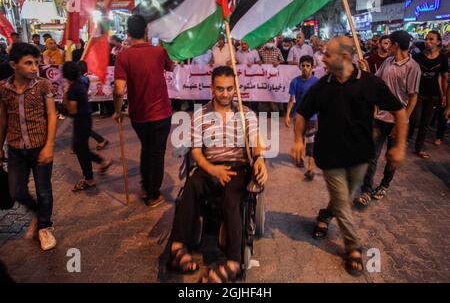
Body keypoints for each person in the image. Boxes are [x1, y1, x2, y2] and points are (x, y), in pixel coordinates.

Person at [291, 36, 407, 276]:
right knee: (343, 200)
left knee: (341, 198)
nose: (322, 58)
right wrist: (297, 141)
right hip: (330, 155)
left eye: (327, 55)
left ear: (344, 57)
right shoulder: (323, 85)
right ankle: (352, 247)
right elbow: (302, 112)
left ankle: (324, 216)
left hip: (360, 155)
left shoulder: (370, 83)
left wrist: (399, 146)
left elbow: (399, 111)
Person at [168, 66, 268, 283]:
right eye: (220, 89)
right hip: (209, 166)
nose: (225, 93)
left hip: (237, 168)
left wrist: (259, 158)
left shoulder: (245, 114)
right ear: (212, 88)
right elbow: (195, 150)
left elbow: (256, 140)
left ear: (235, 88)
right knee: (192, 185)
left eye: (229, 89)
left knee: (232, 199)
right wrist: (211, 169)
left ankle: (233, 262)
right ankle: (177, 248)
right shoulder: (200, 115)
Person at [0, 43, 57, 250]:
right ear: (14, 65)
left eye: (36, 63)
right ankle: (40, 213)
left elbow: (52, 115)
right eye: (28, 63)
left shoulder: (43, 85)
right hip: (15, 149)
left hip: (40, 145)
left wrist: (49, 146)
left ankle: (45, 227)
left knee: (43, 190)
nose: (34, 67)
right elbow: (3, 119)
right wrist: (0, 146)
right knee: (16, 191)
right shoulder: (3, 89)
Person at [113, 14, 174, 207]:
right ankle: (153, 194)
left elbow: (118, 90)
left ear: (129, 33)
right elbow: (171, 67)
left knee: (147, 149)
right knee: (156, 153)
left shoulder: (123, 56)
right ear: (146, 30)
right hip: (161, 113)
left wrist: (117, 110)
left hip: (138, 116)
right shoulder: (158, 52)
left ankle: (146, 186)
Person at [355, 31, 420, 207]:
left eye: (389, 43)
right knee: (372, 155)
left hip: (398, 121)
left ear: (396, 45)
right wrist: (365, 70)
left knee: (392, 157)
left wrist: (402, 123)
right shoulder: (388, 62)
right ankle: (366, 190)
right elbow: (375, 82)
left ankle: (384, 185)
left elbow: (413, 97)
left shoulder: (413, 67)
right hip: (380, 117)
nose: (386, 46)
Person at [62, 62, 112, 192]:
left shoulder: (73, 89)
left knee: (81, 151)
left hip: (80, 120)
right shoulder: (81, 82)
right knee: (81, 150)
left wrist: (65, 95)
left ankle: (92, 175)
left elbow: (72, 110)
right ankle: (96, 168)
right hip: (86, 118)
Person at [410, 31, 449, 159]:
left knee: (425, 123)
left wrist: (443, 95)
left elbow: (444, 77)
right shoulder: (417, 57)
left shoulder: (442, 58)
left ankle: (418, 147)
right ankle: (406, 137)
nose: (428, 41)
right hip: (418, 94)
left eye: (431, 39)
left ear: (438, 42)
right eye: (427, 39)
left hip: (433, 95)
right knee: (415, 119)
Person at [285, 55, 318, 179]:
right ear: (299, 66)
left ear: (312, 67)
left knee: (311, 142)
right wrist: (287, 115)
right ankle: (299, 158)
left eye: (307, 66)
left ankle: (310, 167)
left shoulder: (316, 82)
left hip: (312, 117)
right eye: (303, 66)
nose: (305, 68)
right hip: (298, 116)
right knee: (299, 139)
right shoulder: (295, 81)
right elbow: (291, 99)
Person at [77, 60, 109, 151]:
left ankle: (100, 140)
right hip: (83, 106)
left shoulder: (81, 79)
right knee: (79, 127)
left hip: (82, 106)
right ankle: (77, 146)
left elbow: (83, 92)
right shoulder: (83, 78)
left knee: (83, 127)